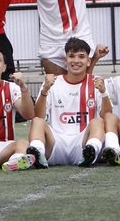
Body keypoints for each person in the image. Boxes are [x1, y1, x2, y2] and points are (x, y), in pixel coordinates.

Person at [27, 38, 110, 167]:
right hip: (56, 144)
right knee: (37, 122)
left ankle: (91, 151)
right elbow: (39, 116)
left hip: (82, 143)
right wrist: (44, 91)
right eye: (71, 56)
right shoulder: (52, 82)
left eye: (81, 57)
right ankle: (37, 154)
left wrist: (104, 93)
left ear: (88, 61)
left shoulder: (96, 82)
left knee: (98, 121)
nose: (76, 61)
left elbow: (107, 116)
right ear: (65, 60)